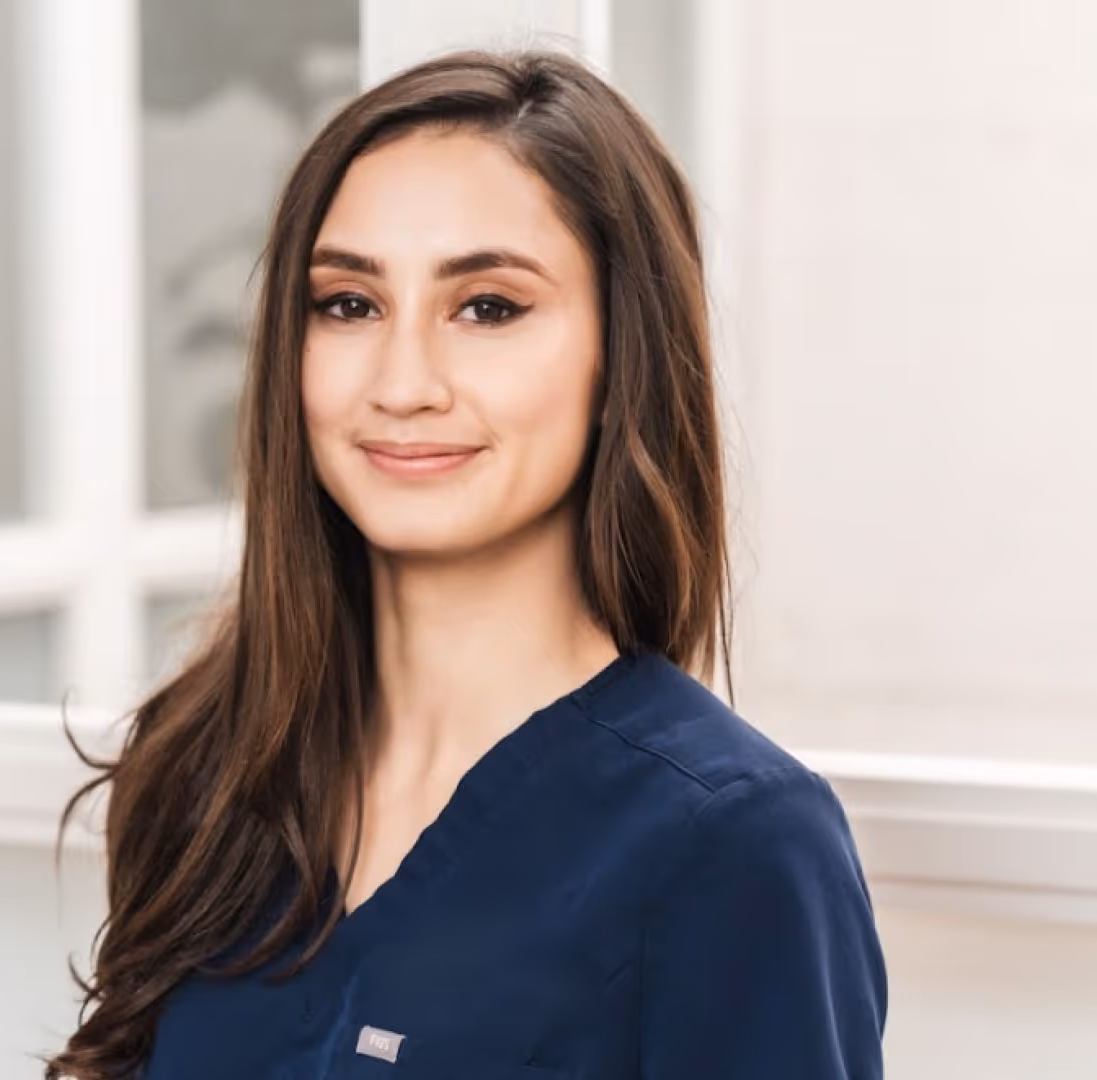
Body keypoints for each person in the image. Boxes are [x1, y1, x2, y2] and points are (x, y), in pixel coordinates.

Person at [43, 47, 888, 1080]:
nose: (403, 384)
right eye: (349, 304)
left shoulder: (733, 844)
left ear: (621, 352)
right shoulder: (205, 770)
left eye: (487, 307)